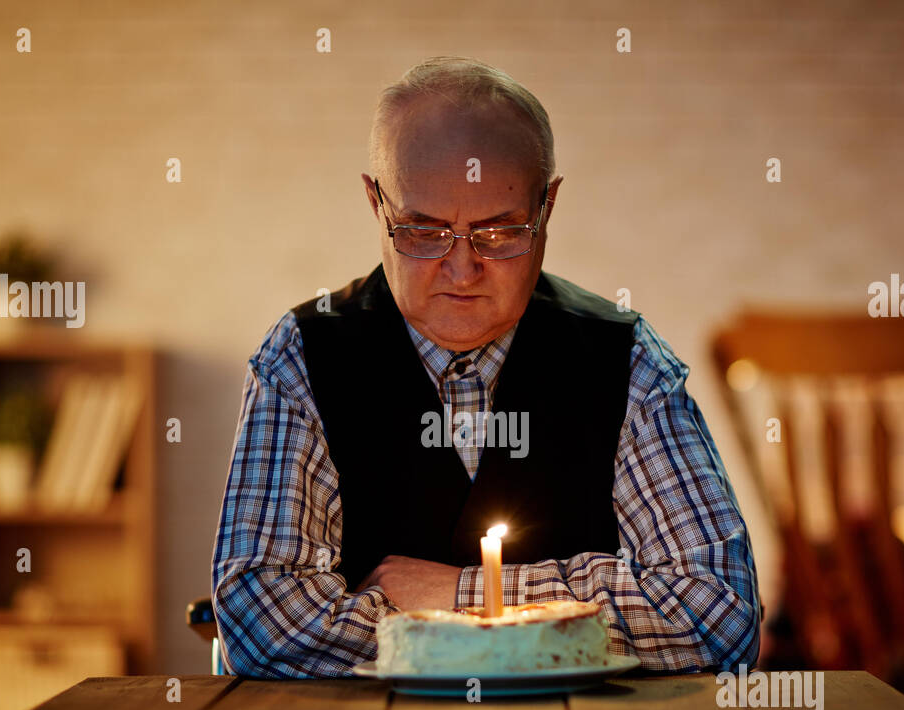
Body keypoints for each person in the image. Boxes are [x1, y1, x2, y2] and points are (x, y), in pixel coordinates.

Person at [212, 56, 761, 678]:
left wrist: (453, 597)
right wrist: (559, 628)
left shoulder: (626, 358)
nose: (463, 269)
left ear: (547, 207)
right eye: (423, 231)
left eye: (499, 234)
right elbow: (262, 622)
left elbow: (719, 617)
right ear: (375, 202)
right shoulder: (301, 357)